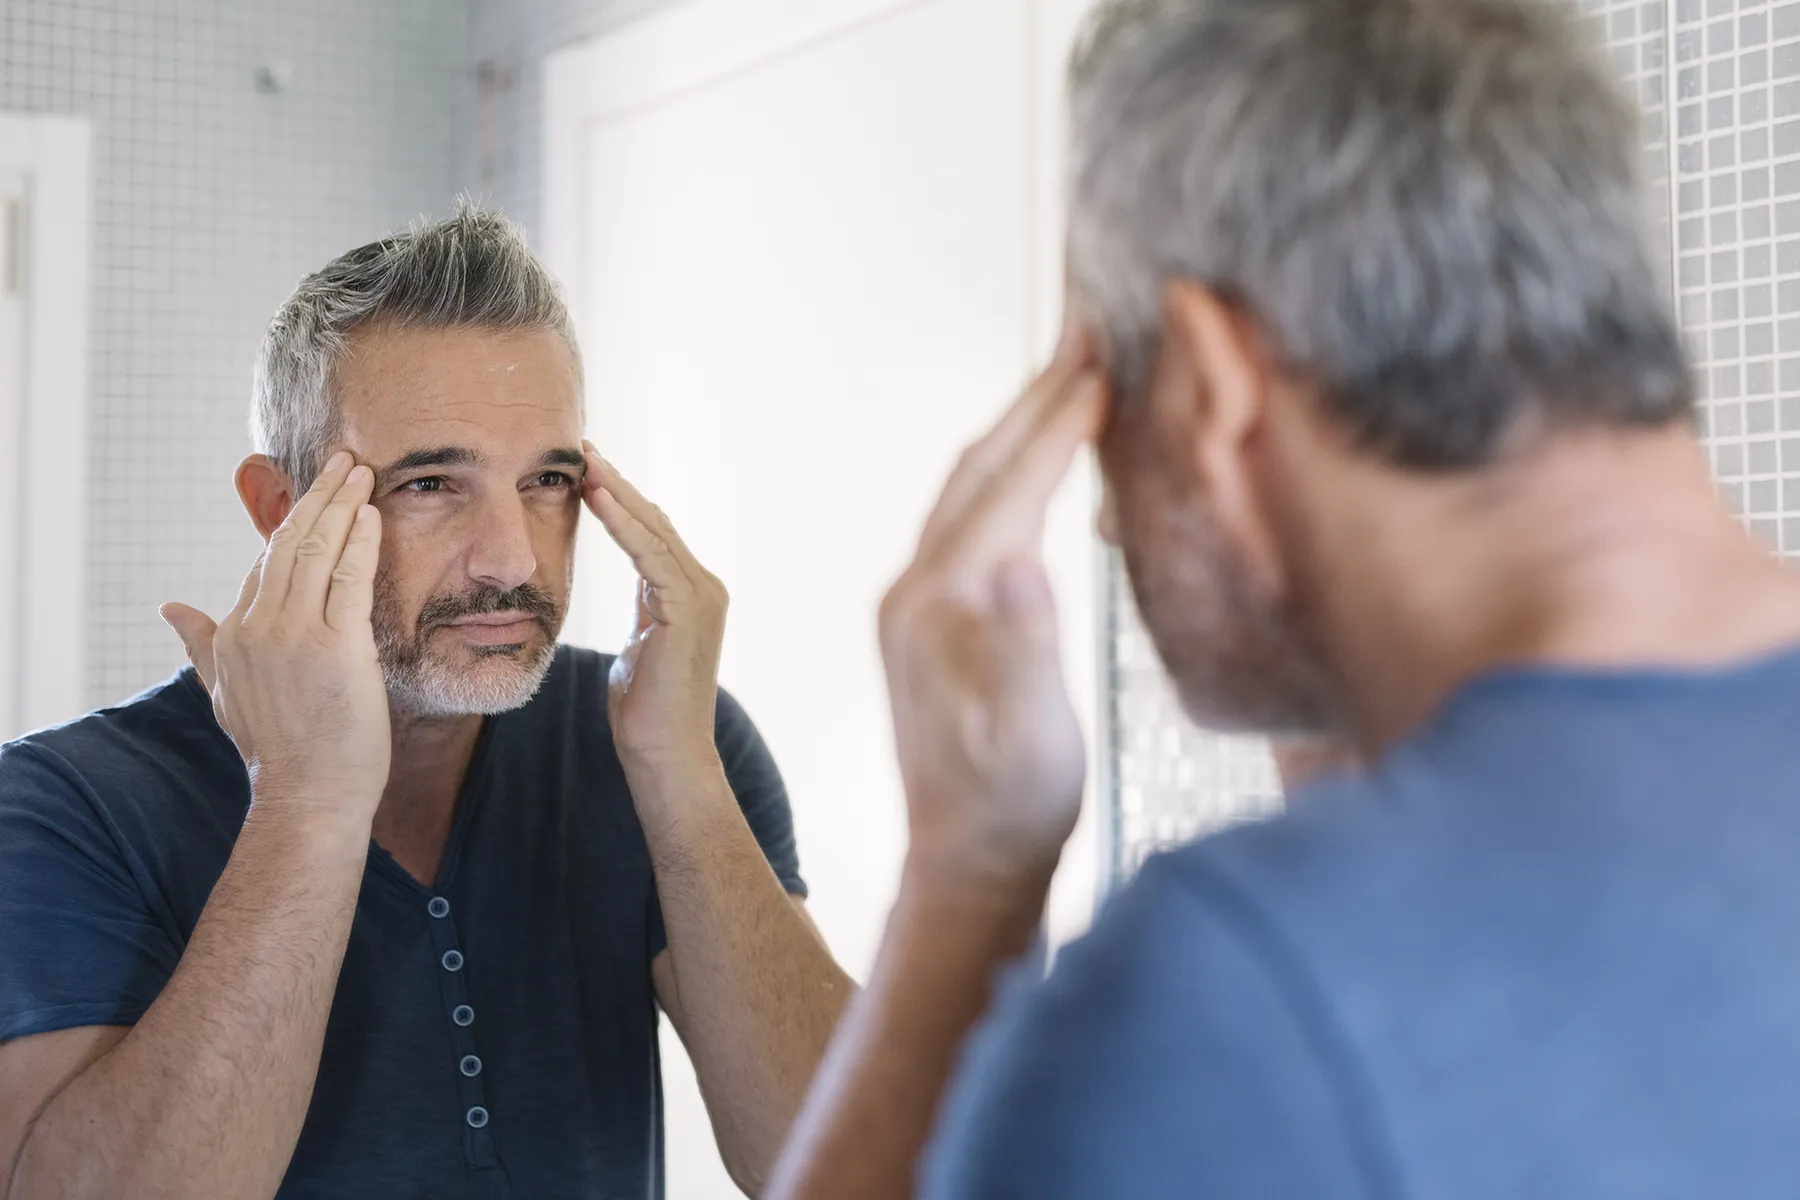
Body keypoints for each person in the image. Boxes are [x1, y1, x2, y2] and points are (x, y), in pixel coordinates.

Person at [767, 0, 1800, 1196]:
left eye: (1108, 395)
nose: (1104, 512)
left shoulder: (1236, 1000)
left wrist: (968, 882)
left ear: (1211, 387)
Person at [0, 207, 852, 1199]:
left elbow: (844, 1171)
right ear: (282, 513)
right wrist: (304, 799)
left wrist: (681, 776)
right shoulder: (63, 806)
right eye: (433, 483)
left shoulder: (660, 735)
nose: (512, 559)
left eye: (547, 478)